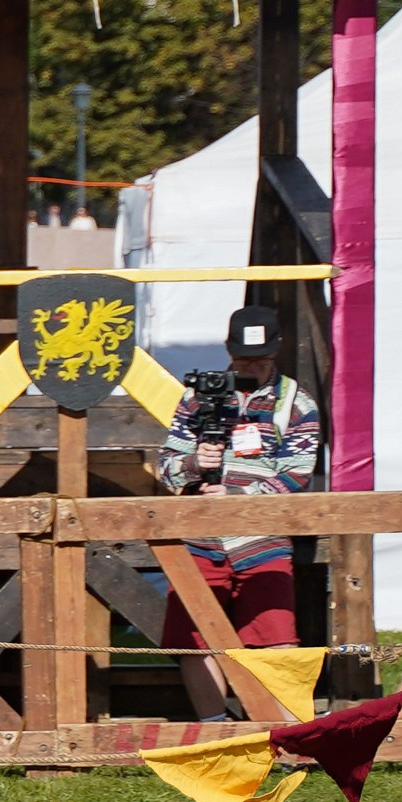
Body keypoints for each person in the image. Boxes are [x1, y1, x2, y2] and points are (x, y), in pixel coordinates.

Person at [155, 306, 321, 720]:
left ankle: (286, 733)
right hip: (199, 534)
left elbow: (297, 474)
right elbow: (166, 465)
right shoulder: (197, 396)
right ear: (229, 351)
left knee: (277, 638)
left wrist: (235, 501)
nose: (252, 367)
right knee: (191, 638)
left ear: (277, 351)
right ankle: (216, 728)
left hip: (260, 539)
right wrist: (195, 463)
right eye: (245, 358)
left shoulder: (296, 405)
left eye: (261, 358)